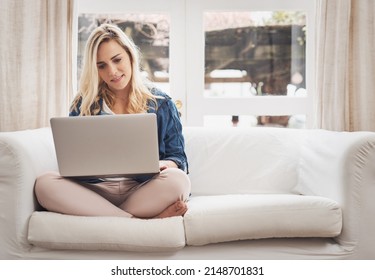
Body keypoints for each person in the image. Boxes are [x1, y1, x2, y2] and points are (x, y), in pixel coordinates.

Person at [35, 23, 191, 219]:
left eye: (117, 60)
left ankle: (110, 218)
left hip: (142, 189)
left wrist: (167, 164)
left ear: (130, 56)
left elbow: (179, 158)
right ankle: (136, 221)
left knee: (178, 181)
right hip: (94, 191)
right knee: (44, 184)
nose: (112, 71)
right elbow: (72, 159)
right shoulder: (83, 104)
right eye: (102, 66)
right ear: (95, 69)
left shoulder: (162, 103)